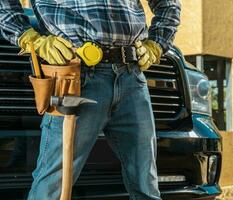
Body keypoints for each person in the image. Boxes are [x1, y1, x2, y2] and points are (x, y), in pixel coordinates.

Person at [0, 0, 181, 199]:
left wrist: (157, 43)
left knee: (146, 187)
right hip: (73, 77)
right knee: (53, 187)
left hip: (132, 77)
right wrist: (27, 36)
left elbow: (168, 3)